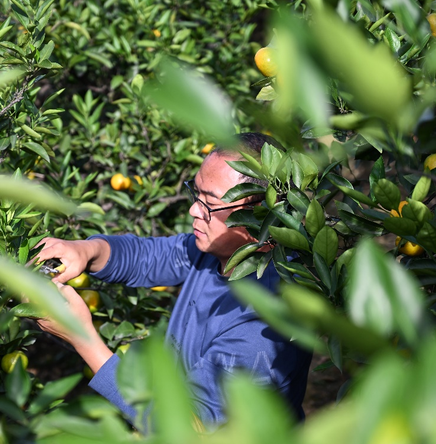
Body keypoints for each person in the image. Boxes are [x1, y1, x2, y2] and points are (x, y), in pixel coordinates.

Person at [34, 133, 312, 426]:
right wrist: (86, 250)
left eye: (210, 203)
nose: (194, 210)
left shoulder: (264, 324)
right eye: (196, 194)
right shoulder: (216, 251)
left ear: (259, 215)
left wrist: (83, 338)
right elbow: (150, 256)